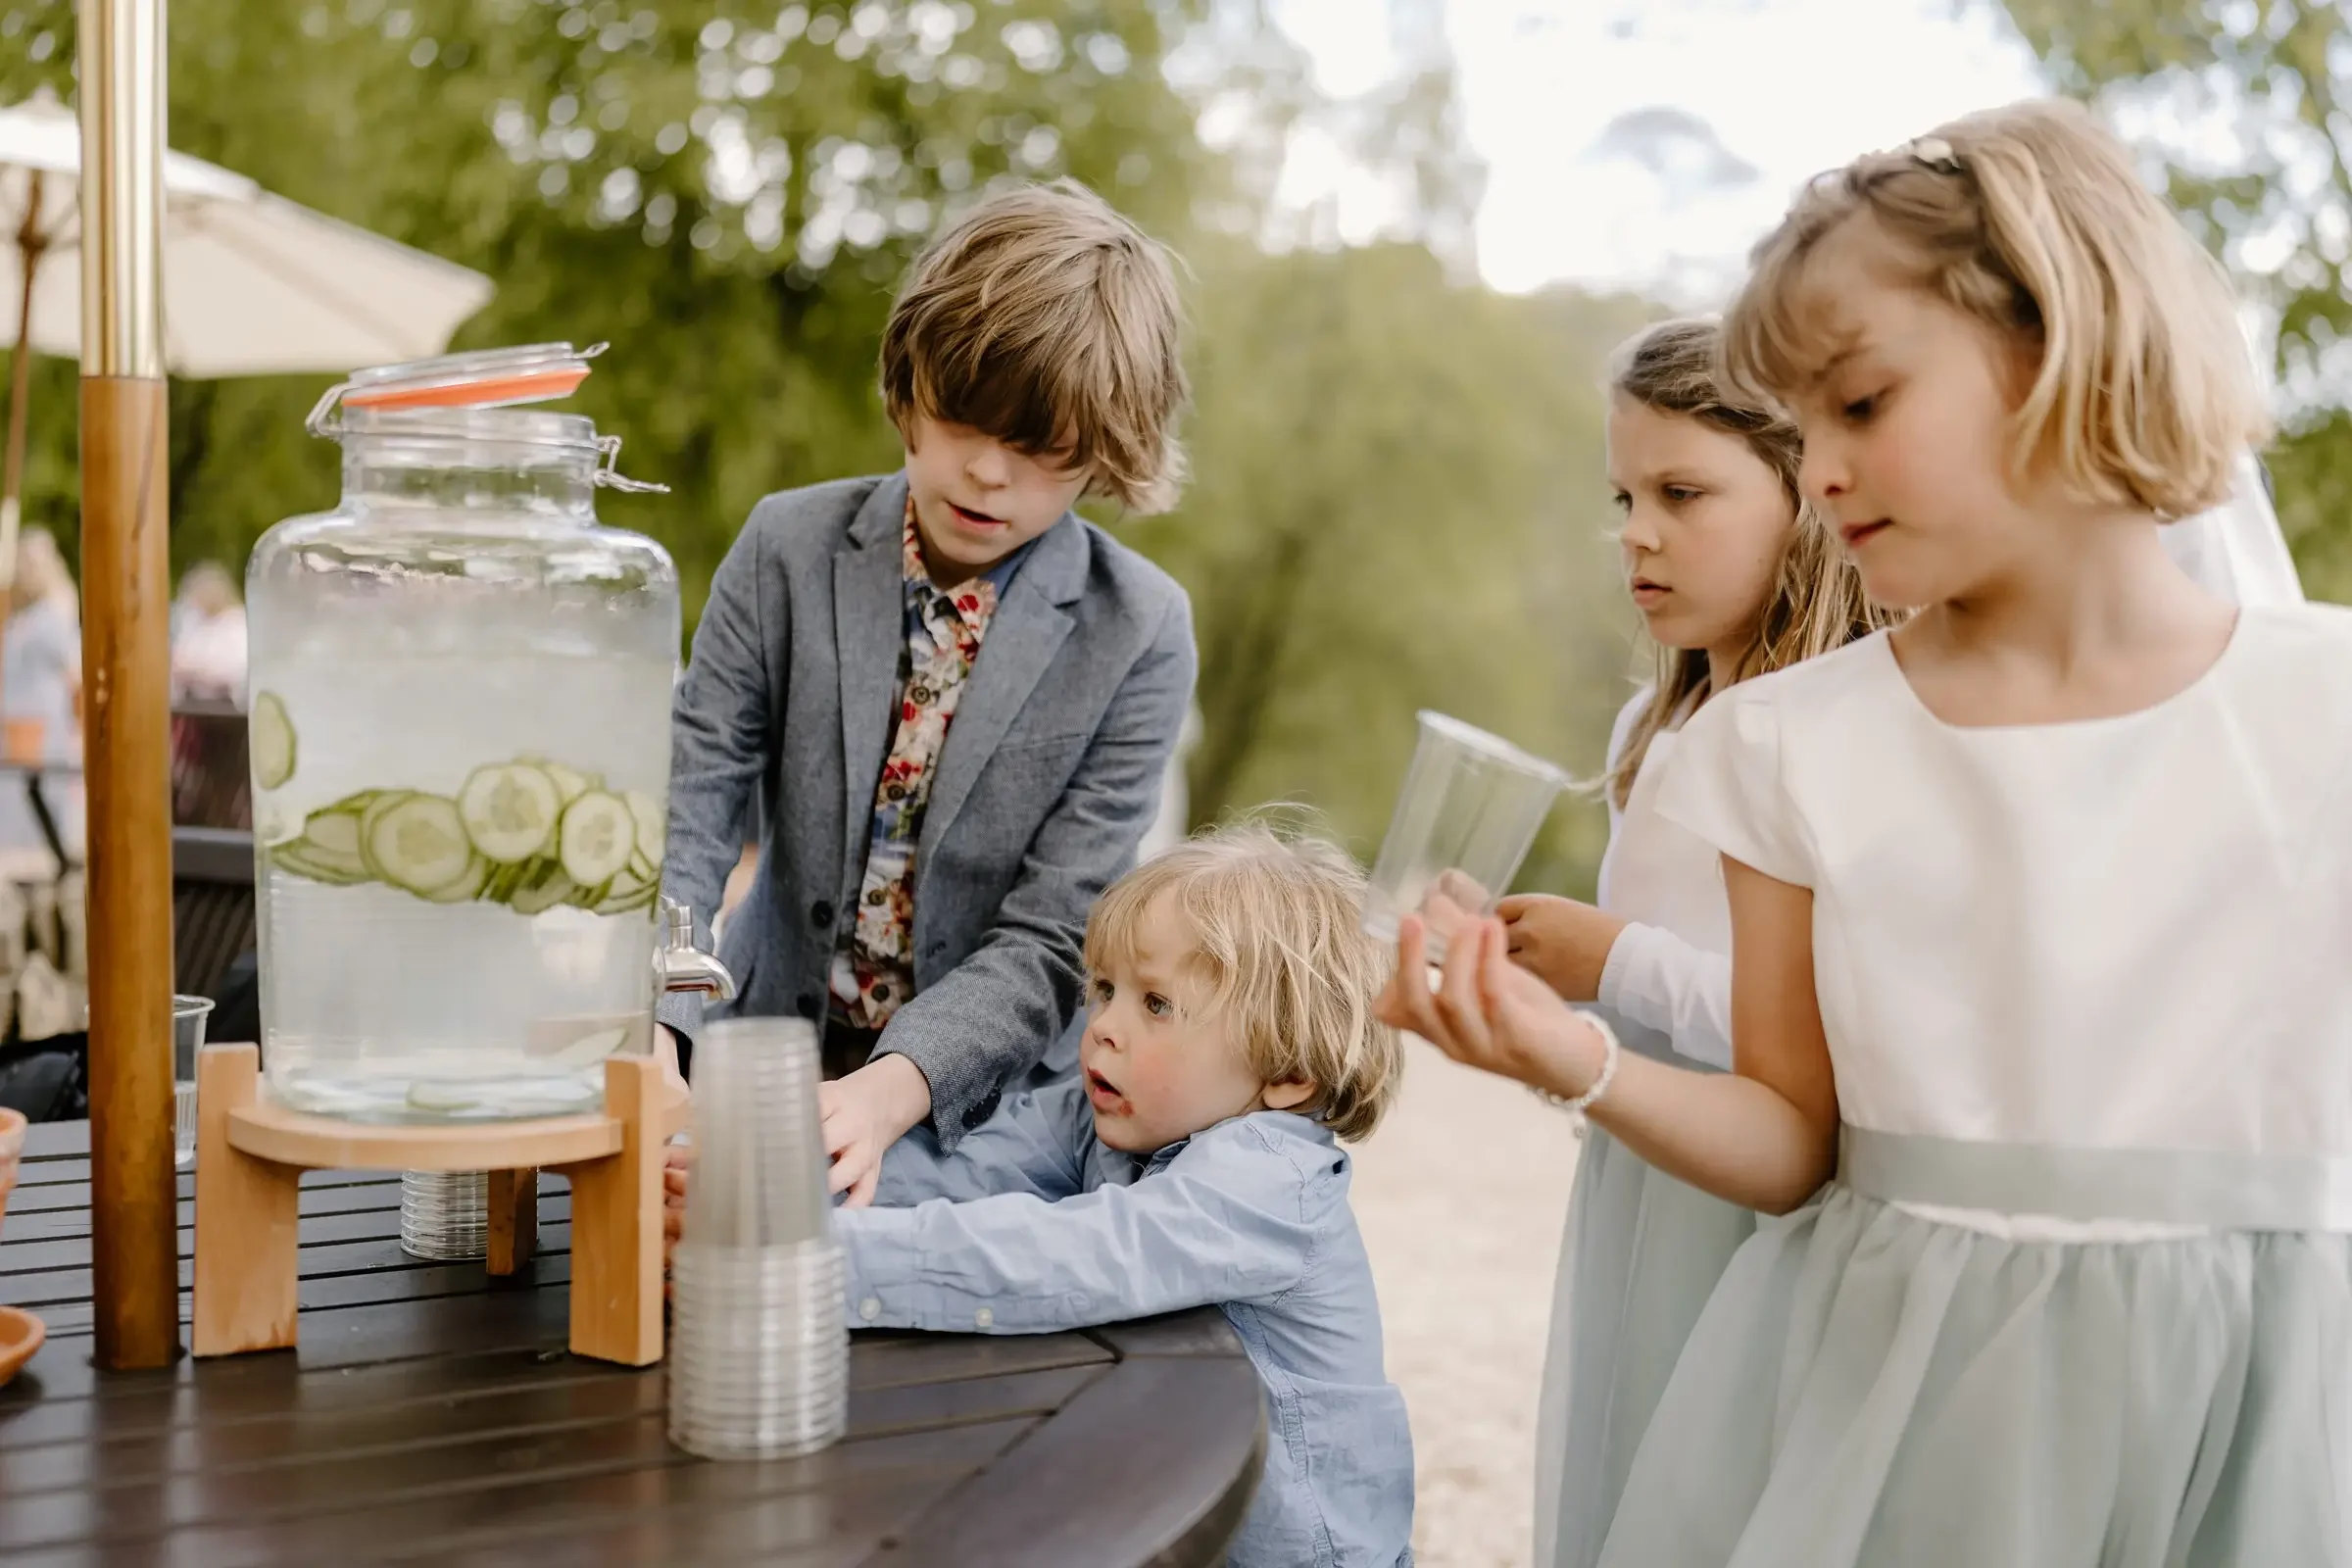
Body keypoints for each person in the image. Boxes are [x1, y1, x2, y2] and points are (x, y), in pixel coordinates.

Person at [1384, 99, 2351, 1564]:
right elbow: (1788, 1138)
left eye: (1864, 404)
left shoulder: (2323, 709)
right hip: (1895, 1426)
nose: (1821, 468)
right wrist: (1560, 1049)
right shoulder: (1789, 747)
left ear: (2059, 339)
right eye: (1803, 426)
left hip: (2252, 1428)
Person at [660, 179, 1198, 1202]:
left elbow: (1051, 935)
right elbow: (691, 809)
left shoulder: (1142, 632)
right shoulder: (784, 548)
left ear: (1105, 453)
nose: (990, 472)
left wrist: (884, 1094)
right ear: (909, 388)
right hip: (744, 1049)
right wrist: (653, 1021)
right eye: (964, 421)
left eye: (1042, 449)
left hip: (979, 1112)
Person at [674, 823, 1415, 1566]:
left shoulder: (1268, 1182)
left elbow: (1069, 1258)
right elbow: (957, 1171)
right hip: (1172, 1507)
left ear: (1287, 1071)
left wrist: (806, 1258)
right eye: (1104, 990)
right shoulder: (1117, 1114)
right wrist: (762, 1191)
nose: (1103, 1029)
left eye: (1156, 1005)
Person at [1506, 317, 1892, 1568]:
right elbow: (1625, 1000)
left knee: (1717, 1496)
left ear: (1804, 499)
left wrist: (1614, 960)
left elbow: (1837, 1037)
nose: (1637, 531)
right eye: (1624, 495)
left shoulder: (1842, 739)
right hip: (1641, 1176)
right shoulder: (1648, 726)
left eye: (1683, 492)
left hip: (1759, 1208)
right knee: (1622, 1458)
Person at [0, 529, 83, 867]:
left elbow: (72, 667)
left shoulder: (55, 612)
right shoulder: (22, 614)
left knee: (40, 792)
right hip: (17, 717)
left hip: (43, 718)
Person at [169, 561, 249, 706]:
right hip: (193, 702)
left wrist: (197, 670)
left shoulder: (236, 623)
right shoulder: (196, 622)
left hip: (226, 706)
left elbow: (237, 668)